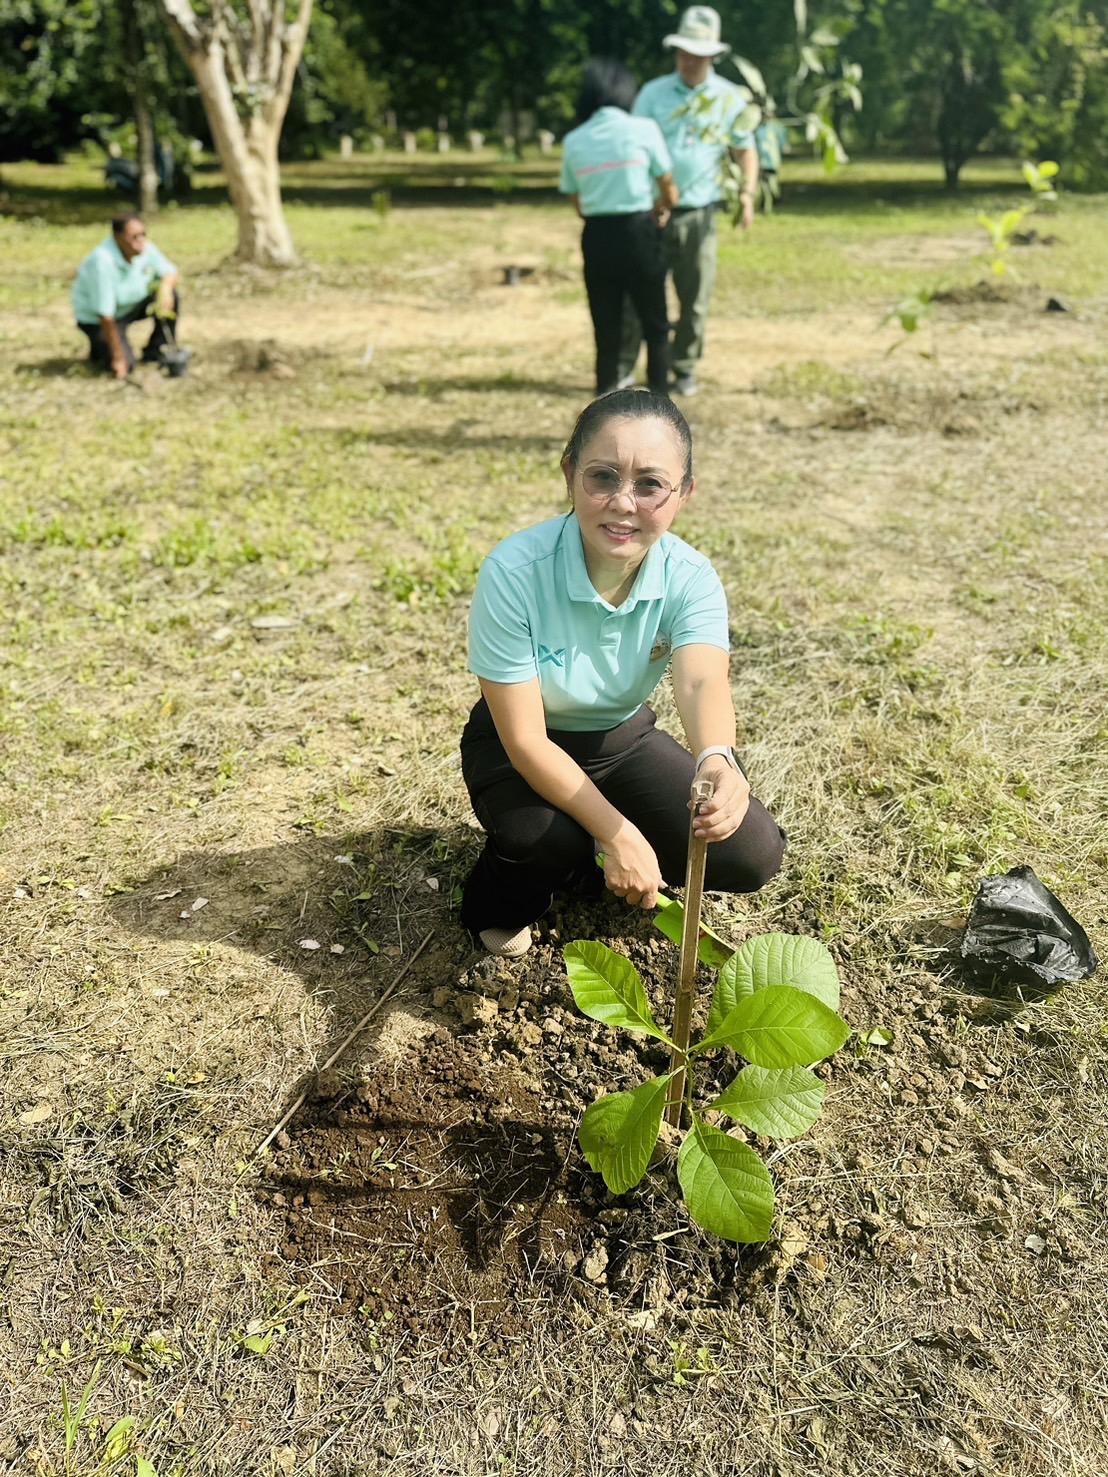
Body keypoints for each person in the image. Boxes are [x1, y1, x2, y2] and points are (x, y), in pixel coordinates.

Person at [460, 388, 786, 957]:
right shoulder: (514, 571)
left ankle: (594, 857)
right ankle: (507, 890)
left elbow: (702, 679)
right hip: (519, 746)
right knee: (542, 840)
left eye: (650, 484)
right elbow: (527, 739)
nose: (623, 503)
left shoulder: (690, 576)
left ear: (684, 492)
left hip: (621, 737)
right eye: (603, 476)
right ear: (569, 474)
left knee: (750, 852)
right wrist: (615, 831)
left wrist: (719, 757)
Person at [619, 6, 759, 397]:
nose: (689, 61)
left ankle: (684, 367)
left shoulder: (730, 98)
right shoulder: (653, 93)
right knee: (638, 294)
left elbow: (744, 150)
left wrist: (746, 195)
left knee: (694, 296)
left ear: (713, 56)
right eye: (684, 53)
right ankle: (625, 368)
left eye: (698, 55)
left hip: (700, 212)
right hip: (651, 211)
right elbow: (634, 147)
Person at [559, 59, 678, 398]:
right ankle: (660, 399)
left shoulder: (574, 140)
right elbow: (667, 184)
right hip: (639, 231)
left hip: (597, 236)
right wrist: (663, 207)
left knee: (606, 326)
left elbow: (577, 200)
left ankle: (604, 399)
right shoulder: (643, 130)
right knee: (655, 324)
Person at [71, 213, 181, 378]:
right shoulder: (102, 262)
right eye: (134, 237)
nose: (141, 240)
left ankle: (156, 349)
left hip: (129, 307)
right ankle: (102, 349)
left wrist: (165, 290)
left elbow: (170, 272)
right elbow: (105, 315)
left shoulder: (144, 248)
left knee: (172, 294)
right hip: (101, 320)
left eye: (143, 234)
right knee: (126, 366)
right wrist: (118, 358)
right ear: (118, 237)